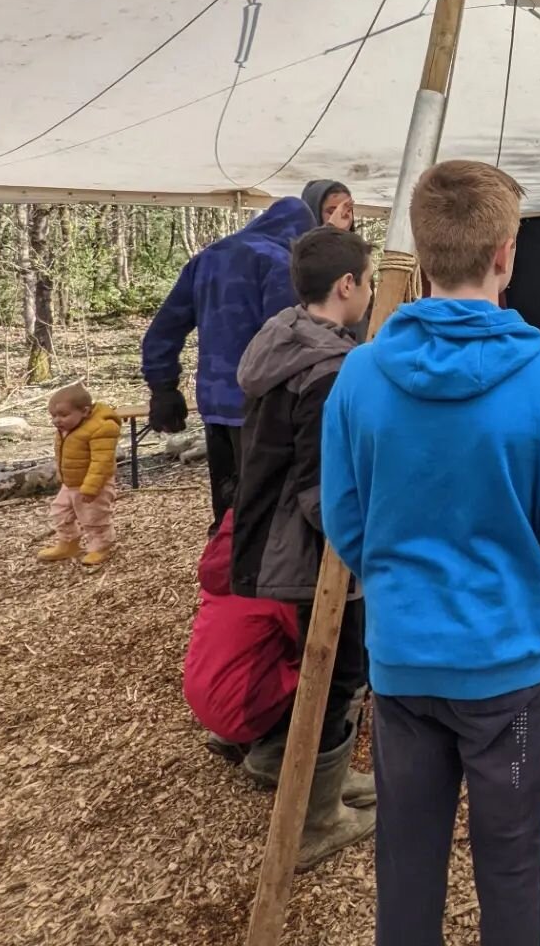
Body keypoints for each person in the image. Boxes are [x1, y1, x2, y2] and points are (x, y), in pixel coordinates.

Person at [322, 160, 540, 946]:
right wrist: (516, 578)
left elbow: (345, 521)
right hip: (509, 669)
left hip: (404, 660)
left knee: (405, 862)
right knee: (510, 865)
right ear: (506, 254)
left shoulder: (361, 373)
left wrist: (398, 575)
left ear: (419, 249)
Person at [232, 225, 377, 867]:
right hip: (310, 545)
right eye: (368, 282)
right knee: (340, 666)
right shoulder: (327, 370)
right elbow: (323, 489)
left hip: (273, 534)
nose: (372, 293)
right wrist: (368, 543)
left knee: (323, 661)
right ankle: (316, 817)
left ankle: (290, 762)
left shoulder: (284, 338)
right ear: (346, 286)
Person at [141, 197, 315, 530]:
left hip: (215, 404)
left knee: (228, 504)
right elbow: (284, 342)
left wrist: (163, 387)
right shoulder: (280, 262)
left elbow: (163, 330)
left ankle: (221, 573)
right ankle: (252, 577)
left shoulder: (206, 259)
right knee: (265, 511)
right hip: (262, 408)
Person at [183, 510, 301, 762]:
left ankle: (231, 735)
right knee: (331, 667)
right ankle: (271, 753)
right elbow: (310, 640)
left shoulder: (225, 570)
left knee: (252, 647)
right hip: (241, 711)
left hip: (203, 698)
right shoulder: (275, 579)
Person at [37, 384, 121, 568]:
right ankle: (68, 543)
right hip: (71, 483)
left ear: (85, 411)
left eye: (63, 415)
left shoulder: (101, 428)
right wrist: (62, 475)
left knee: (94, 517)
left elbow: (102, 462)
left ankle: (101, 545)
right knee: (60, 512)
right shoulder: (68, 428)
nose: (56, 421)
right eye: (53, 416)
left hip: (95, 484)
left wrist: (92, 487)